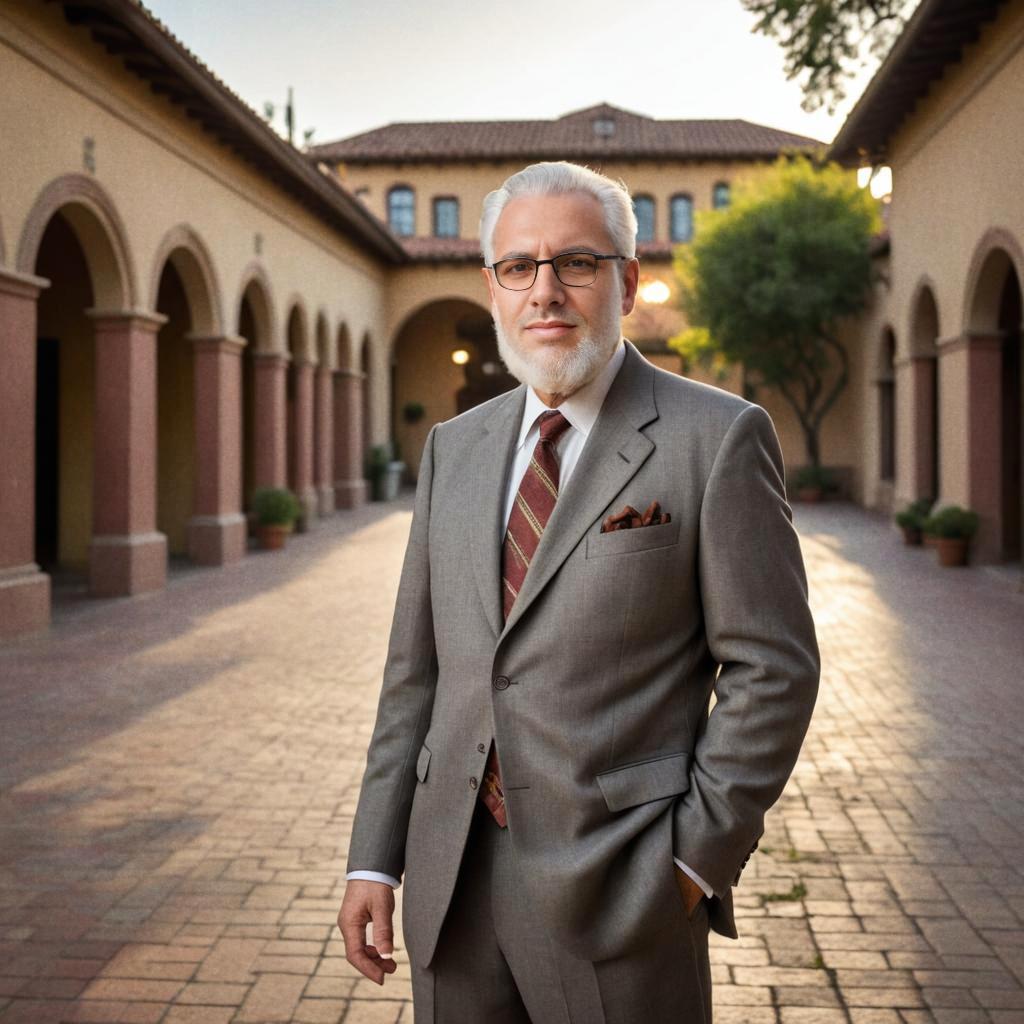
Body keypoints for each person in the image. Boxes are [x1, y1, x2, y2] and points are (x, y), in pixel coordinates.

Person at [337, 161, 820, 1023]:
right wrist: (373, 859)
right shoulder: (454, 448)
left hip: (623, 888)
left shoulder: (717, 438)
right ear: (493, 288)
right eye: (519, 267)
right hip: (451, 885)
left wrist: (689, 862)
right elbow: (416, 671)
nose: (545, 291)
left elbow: (773, 670)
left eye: (577, 263)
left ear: (627, 282)